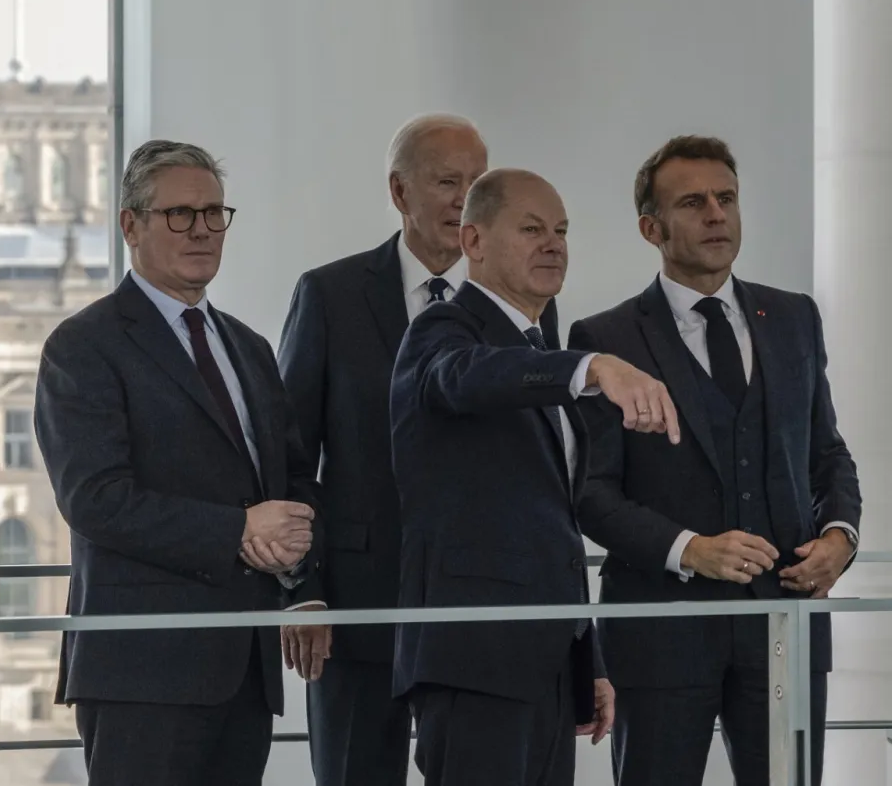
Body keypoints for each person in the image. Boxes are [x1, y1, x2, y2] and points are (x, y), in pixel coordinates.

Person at [569, 136, 862, 785]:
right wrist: (689, 547)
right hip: (660, 627)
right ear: (651, 226)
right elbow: (592, 493)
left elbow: (827, 453)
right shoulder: (605, 339)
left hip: (783, 620)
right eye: (693, 201)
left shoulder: (793, 317)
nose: (715, 213)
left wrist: (840, 536)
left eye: (726, 198)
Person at [278, 113, 560, 786]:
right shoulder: (330, 294)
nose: (465, 197)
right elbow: (290, 451)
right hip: (358, 604)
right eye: (446, 181)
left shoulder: (524, 302)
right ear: (400, 193)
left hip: (477, 617)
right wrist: (304, 590)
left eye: (477, 181)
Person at [34, 139, 324, 786]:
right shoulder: (84, 345)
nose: (201, 230)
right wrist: (237, 531)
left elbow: (292, 480)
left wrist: (303, 577)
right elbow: (95, 498)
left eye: (214, 213)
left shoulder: (247, 347)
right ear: (130, 225)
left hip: (244, 666)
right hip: (142, 668)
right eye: (180, 214)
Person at [390, 168, 676, 786]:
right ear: (472, 242)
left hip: (546, 667)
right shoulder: (442, 330)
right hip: (474, 662)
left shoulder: (538, 348)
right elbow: (462, 377)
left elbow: (551, 525)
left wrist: (587, 654)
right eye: (530, 229)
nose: (553, 244)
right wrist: (592, 364)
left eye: (562, 231)